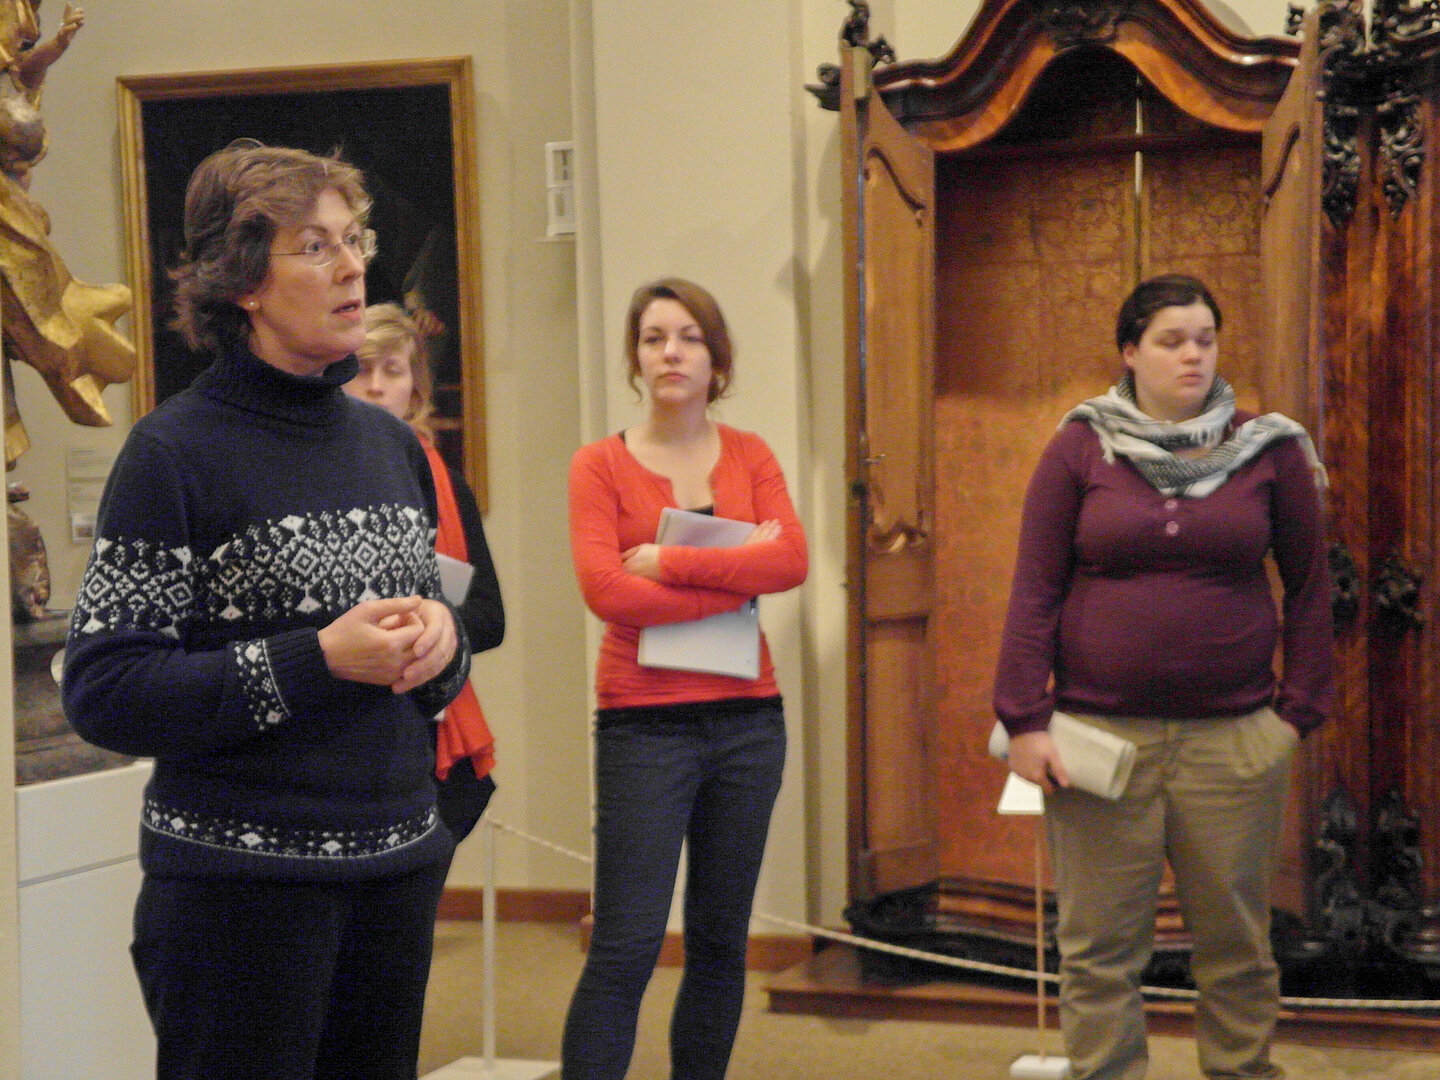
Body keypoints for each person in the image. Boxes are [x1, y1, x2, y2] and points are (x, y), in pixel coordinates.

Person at [62, 140, 471, 1080]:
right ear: (244, 280)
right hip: (240, 898)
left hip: (397, 873)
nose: (352, 265)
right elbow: (106, 688)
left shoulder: (390, 447)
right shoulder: (172, 453)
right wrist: (314, 659)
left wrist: (442, 645)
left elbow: (426, 664)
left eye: (355, 238)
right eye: (316, 246)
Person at [992, 273, 1335, 1080]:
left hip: (1235, 743)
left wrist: (1294, 715)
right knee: (1098, 950)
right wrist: (1024, 719)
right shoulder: (1081, 446)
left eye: (1205, 340)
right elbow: (1034, 588)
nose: (1193, 355)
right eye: (1171, 340)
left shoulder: (1270, 448)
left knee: (1238, 947)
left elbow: (1312, 587)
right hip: (1096, 741)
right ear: (1130, 352)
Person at [562, 277, 808, 1080]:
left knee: (719, 942)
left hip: (748, 722)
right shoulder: (599, 465)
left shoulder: (751, 454)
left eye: (689, 337)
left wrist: (670, 562)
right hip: (644, 725)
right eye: (654, 337)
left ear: (715, 358)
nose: (671, 352)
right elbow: (608, 592)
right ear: (635, 358)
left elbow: (791, 561)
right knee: (626, 944)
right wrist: (739, 572)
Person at [346, 300, 504, 843]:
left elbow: (490, 617)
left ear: (415, 388)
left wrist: (429, 627)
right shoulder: (311, 476)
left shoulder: (445, 483)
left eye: (393, 371)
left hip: (427, 712)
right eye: (362, 369)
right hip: (341, 716)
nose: (376, 387)